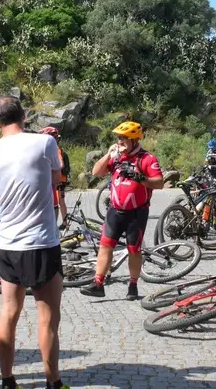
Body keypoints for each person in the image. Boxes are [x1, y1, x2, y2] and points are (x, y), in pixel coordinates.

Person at [0, 96, 69, 389]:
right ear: (25, 115)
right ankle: (53, 382)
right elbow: (56, 180)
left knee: (9, 312)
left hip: (8, 243)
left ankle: (8, 380)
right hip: (42, 241)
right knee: (48, 319)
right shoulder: (44, 144)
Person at [82, 120, 163, 300]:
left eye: (124, 139)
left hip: (136, 213)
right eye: (118, 139)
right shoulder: (117, 157)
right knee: (105, 246)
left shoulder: (147, 158)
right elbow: (96, 172)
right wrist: (108, 154)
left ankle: (133, 285)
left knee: (134, 249)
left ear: (135, 140)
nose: (120, 142)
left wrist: (139, 178)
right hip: (115, 211)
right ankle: (98, 284)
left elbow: (159, 183)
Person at [39, 127, 70, 228]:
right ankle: (63, 222)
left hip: (59, 181)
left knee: (60, 202)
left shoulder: (56, 150)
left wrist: (50, 169)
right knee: (59, 202)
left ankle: (64, 222)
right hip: (59, 180)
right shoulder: (55, 148)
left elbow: (60, 164)